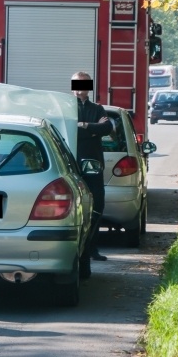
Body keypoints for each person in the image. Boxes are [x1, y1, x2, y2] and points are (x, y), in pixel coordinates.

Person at [72, 71, 113, 262]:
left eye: (84, 84)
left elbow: (107, 128)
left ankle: (92, 248)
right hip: (72, 166)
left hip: (94, 166)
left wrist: (84, 126)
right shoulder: (67, 108)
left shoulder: (97, 108)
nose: (80, 87)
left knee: (97, 206)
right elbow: (69, 130)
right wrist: (90, 130)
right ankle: (75, 249)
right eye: (77, 83)